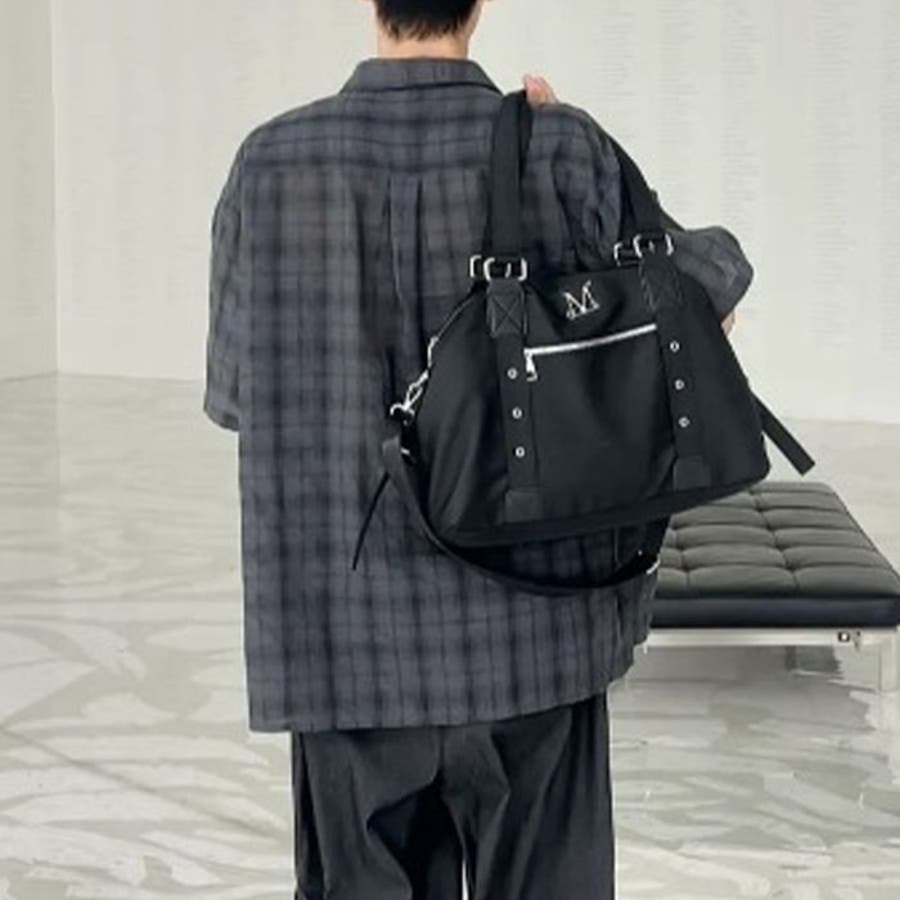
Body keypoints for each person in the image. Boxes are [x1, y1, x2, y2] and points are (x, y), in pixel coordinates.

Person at [202, 1, 753, 897]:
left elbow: (236, 400)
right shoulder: (560, 146)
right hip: (535, 634)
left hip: (345, 647)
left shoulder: (267, 165)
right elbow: (707, 297)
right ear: (479, 3)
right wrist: (573, 164)